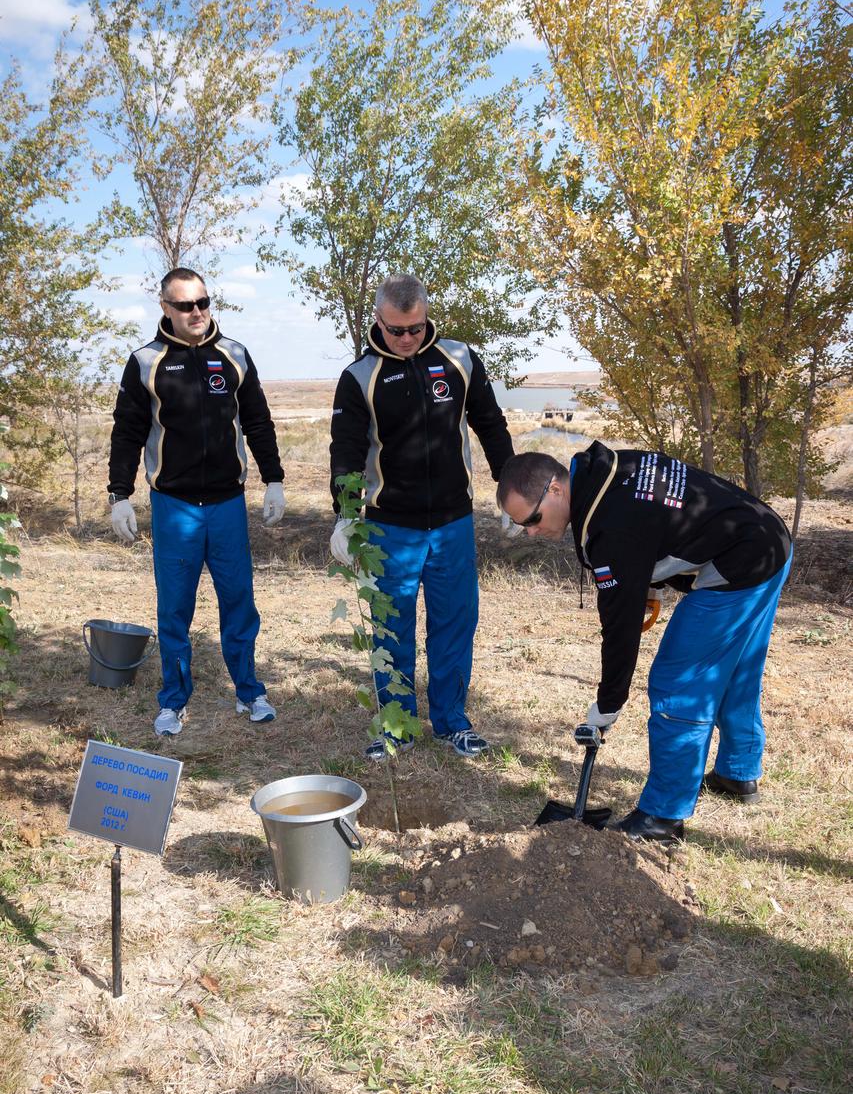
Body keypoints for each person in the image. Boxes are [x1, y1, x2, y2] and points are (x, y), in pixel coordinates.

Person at [497, 445, 792, 843]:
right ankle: (737, 773)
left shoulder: (610, 526)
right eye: (521, 526)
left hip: (742, 562)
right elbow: (660, 522)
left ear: (555, 490)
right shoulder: (607, 471)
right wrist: (649, 582)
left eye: (531, 519)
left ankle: (662, 817)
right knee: (736, 670)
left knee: (678, 682)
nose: (531, 532)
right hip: (766, 534)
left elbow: (619, 628)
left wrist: (608, 703)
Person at [329, 274, 514, 761]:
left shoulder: (458, 359)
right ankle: (396, 726)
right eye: (396, 330)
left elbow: (490, 423)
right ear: (378, 320)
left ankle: (452, 721)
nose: (407, 339)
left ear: (426, 315)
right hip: (391, 527)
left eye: (415, 328)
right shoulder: (359, 377)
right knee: (392, 630)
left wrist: (512, 488)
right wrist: (346, 516)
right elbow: (345, 453)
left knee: (455, 624)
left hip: (453, 524)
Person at [107, 267, 286, 736]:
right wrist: (119, 495)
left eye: (204, 302)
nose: (197, 313)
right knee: (175, 608)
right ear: (165, 307)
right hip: (174, 506)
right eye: (186, 305)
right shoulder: (145, 361)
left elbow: (258, 421)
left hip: (228, 505)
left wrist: (274, 479)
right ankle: (174, 700)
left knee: (239, 604)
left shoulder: (234, 354)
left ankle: (250, 692)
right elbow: (127, 431)